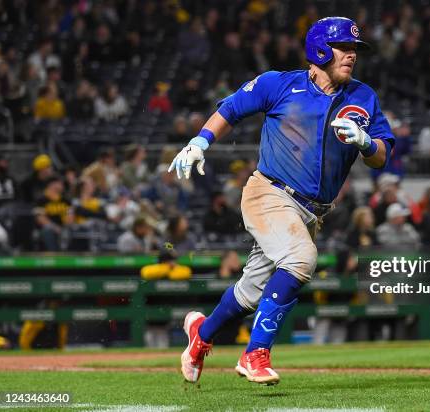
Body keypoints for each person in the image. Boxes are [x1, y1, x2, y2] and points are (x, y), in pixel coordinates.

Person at [168, 17, 394, 385]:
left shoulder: (363, 96)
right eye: (344, 48)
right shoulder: (280, 84)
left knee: (249, 292)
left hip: (312, 211)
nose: (351, 55)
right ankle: (255, 353)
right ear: (319, 49)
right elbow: (232, 108)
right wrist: (201, 141)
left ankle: (200, 335)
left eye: (355, 49)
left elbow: (383, 156)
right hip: (269, 192)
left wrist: (367, 143)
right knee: (302, 259)